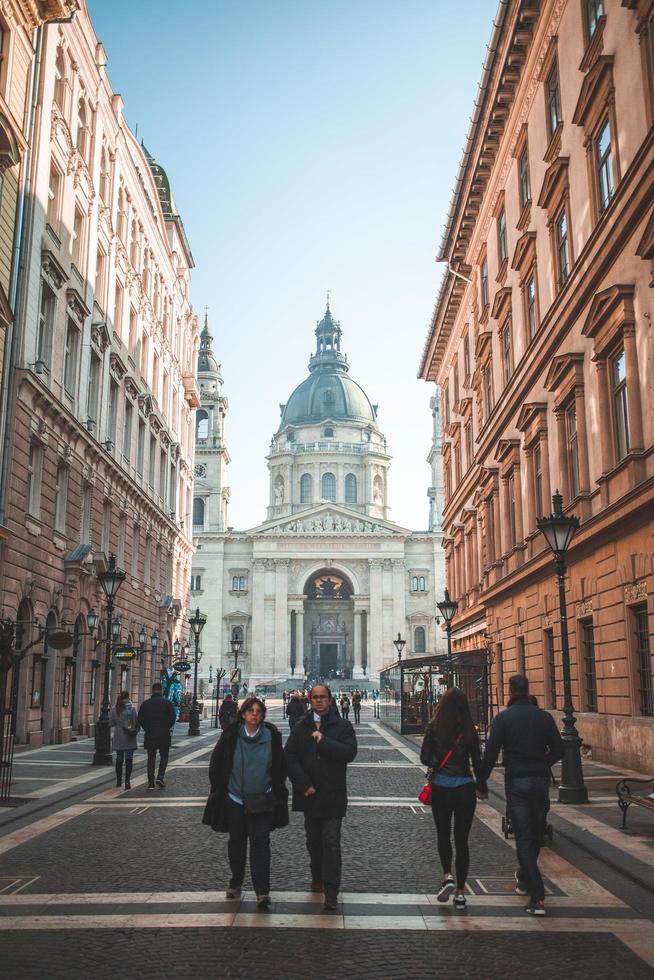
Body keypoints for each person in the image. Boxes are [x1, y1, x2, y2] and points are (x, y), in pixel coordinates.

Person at [479, 674, 564, 916]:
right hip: (539, 781)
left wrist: (481, 781)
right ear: (528, 691)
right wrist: (542, 762)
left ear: (510, 691)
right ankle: (526, 877)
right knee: (535, 834)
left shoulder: (503, 718)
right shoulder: (543, 717)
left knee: (524, 837)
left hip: (517, 782)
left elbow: (491, 753)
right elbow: (559, 750)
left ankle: (537, 896)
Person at [202, 696, 288, 909]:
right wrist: (220, 789)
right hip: (235, 800)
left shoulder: (271, 736)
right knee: (236, 843)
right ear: (243, 713)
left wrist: (275, 791)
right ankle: (236, 881)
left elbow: (279, 766)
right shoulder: (231, 735)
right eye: (251, 710)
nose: (255, 714)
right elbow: (217, 764)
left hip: (262, 800)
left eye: (258, 711)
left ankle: (262, 891)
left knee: (261, 845)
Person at [285, 683, 357, 911]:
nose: (318, 700)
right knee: (313, 841)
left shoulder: (343, 726)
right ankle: (317, 876)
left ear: (330, 699)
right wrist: (303, 784)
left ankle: (331, 890)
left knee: (332, 842)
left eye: (323, 697)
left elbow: (349, 752)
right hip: (310, 795)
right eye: (315, 697)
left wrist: (323, 742)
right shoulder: (301, 727)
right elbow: (289, 758)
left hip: (333, 795)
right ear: (309, 699)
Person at [420, 688, 487, 910]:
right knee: (462, 840)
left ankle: (447, 876)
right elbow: (478, 763)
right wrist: (481, 786)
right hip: (465, 790)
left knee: (443, 835)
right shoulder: (470, 730)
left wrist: (437, 760)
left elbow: (424, 757)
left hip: (441, 788)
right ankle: (460, 893)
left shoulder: (434, 727)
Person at [137, 681, 176, 790]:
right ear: (161, 691)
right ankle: (160, 776)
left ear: (152, 691)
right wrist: (166, 727)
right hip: (164, 734)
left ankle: (150, 782)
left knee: (151, 757)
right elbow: (173, 718)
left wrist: (147, 728)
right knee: (164, 756)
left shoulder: (146, 704)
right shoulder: (167, 703)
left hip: (150, 734)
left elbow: (140, 719)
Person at [109, 690, 139, 789]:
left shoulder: (115, 708)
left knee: (119, 759)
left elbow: (111, 722)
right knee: (129, 759)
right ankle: (127, 781)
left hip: (119, 735)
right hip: (129, 736)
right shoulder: (133, 708)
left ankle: (118, 781)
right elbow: (135, 721)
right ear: (128, 696)